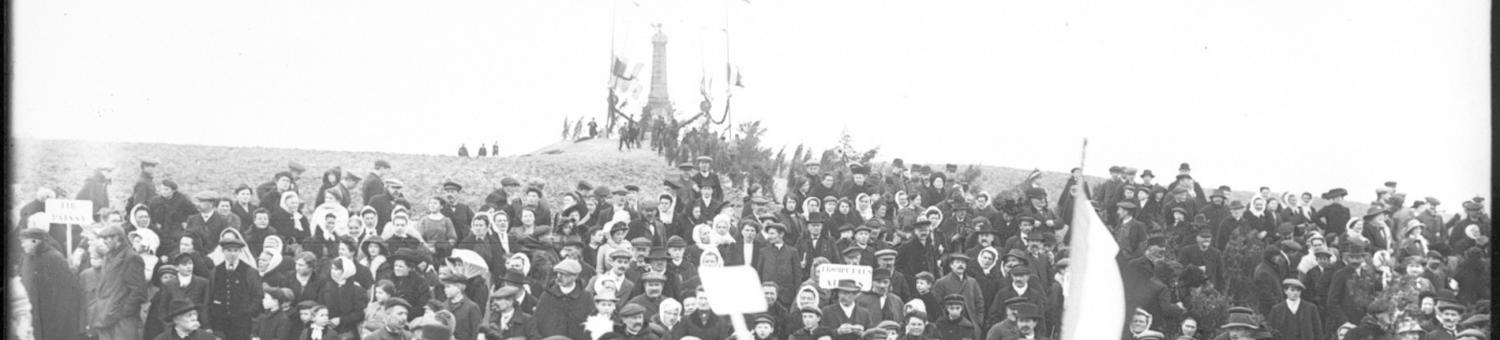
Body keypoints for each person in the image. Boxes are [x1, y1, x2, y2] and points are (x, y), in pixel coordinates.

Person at [20, 228, 85, 340]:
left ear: (35, 241)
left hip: (52, 318)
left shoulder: (55, 258)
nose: (22, 245)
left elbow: (68, 292)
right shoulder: (27, 259)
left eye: (24, 241)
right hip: (33, 315)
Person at [92, 225, 150, 340]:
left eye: (108, 237)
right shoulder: (108, 257)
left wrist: (122, 312)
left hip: (123, 321)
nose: (105, 241)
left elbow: (139, 292)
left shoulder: (132, 258)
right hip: (105, 318)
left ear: (118, 238)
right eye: (103, 238)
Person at [208, 234, 263, 340]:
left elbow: (258, 296)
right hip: (220, 324)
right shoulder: (215, 271)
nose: (232, 253)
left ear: (240, 252)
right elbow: (210, 297)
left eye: (235, 250)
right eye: (229, 250)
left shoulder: (249, 271)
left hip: (242, 325)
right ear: (223, 251)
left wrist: (248, 313)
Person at [534, 259, 594, 339]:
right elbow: (536, 321)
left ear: (575, 276)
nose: (559, 277)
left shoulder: (586, 297)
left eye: (564, 274)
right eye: (558, 273)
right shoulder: (547, 295)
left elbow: (592, 325)